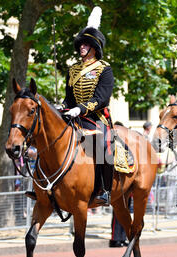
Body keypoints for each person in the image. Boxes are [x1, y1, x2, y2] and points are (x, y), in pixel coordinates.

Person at [60, 6, 114, 206]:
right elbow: (69, 97)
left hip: (95, 118)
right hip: (73, 116)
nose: (81, 47)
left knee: (106, 146)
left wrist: (80, 109)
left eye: (86, 44)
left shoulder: (104, 69)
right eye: (81, 43)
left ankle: (104, 190)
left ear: (94, 47)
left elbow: (102, 98)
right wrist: (64, 106)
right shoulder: (73, 69)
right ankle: (42, 187)